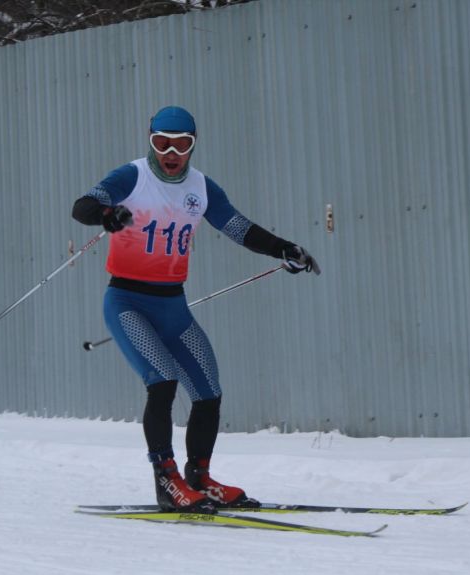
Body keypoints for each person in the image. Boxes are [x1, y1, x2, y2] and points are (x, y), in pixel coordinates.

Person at [72, 106, 319, 513]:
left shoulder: (202, 189)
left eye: (181, 144)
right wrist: (105, 214)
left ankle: (199, 477)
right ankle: (165, 480)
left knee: (208, 392)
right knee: (163, 381)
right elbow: (83, 206)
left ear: (193, 145)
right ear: (150, 140)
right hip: (128, 302)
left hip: (174, 306)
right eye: (162, 143)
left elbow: (239, 228)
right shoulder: (132, 176)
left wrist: (284, 248)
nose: (171, 152)